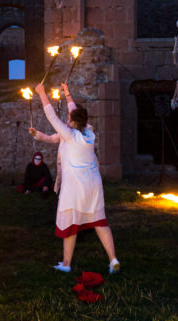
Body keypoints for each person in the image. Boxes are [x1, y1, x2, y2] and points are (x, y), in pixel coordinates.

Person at [34, 83, 120, 274]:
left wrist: (42, 93)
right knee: (100, 222)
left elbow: (51, 116)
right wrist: (67, 94)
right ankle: (113, 259)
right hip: (94, 184)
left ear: (72, 122)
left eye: (69, 118)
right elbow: (75, 113)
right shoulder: (89, 132)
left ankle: (66, 264)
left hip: (75, 187)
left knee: (70, 225)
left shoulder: (69, 135)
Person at [28, 83, 78, 194]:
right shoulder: (85, 131)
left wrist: (41, 93)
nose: (68, 117)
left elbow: (52, 117)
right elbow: (50, 139)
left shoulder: (70, 133)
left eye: (70, 116)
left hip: (74, 181)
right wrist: (36, 134)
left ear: (75, 120)